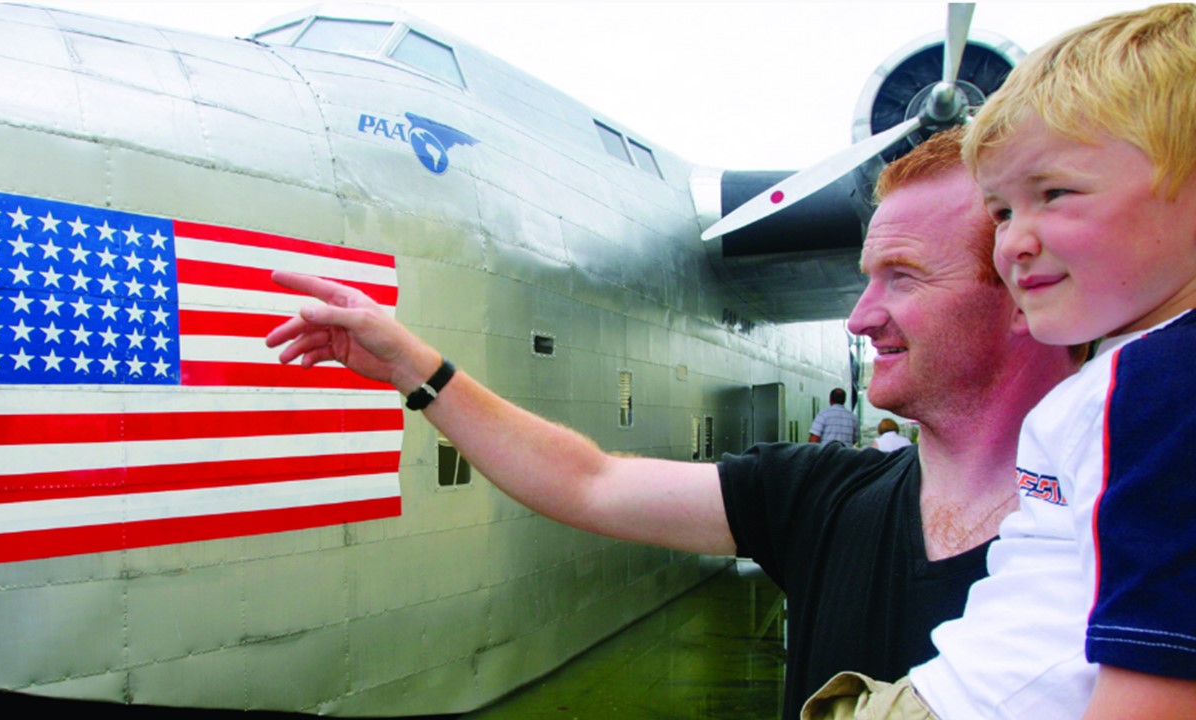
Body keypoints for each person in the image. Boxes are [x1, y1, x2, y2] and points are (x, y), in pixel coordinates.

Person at [264, 128, 1077, 720]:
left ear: (1023, 285)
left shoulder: (1124, 543)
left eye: (901, 277)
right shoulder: (822, 497)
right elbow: (590, 482)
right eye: (864, 278)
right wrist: (413, 366)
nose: (861, 318)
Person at [807, 5, 1196, 719]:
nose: (1011, 243)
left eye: (1055, 193)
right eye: (1003, 210)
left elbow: (1161, 674)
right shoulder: (1127, 377)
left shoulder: (1164, 386)